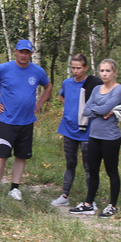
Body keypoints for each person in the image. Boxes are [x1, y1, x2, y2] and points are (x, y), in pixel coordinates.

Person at [0, 39, 52, 200]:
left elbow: (48, 86)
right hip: (8, 120)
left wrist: (39, 104)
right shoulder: (4, 68)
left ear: (31, 53)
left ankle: (15, 188)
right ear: (16, 52)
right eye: (21, 51)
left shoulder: (37, 71)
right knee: (2, 155)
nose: (24, 55)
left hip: (27, 121)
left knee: (21, 156)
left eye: (27, 52)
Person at [69, 59, 121, 218]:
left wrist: (102, 110)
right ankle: (88, 204)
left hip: (110, 137)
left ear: (114, 72)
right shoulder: (96, 89)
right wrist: (102, 111)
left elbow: (105, 108)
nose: (104, 74)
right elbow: (86, 111)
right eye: (102, 71)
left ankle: (112, 206)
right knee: (92, 170)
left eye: (108, 71)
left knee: (111, 171)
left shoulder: (118, 89)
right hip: (94, 135)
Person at [50, 54, 103, 207]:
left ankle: (89, 200)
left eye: (79, 68)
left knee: (89, 166)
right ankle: (65, 195)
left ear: (85, 67)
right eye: (73, 67)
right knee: (70, 163)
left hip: (87, 130)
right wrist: (69, 110)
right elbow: (62, 96)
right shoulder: (67, 83)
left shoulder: (94, 83)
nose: (75, 71)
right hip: (68, 129)